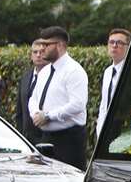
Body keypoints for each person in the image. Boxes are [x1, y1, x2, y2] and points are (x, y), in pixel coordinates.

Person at [28, 25, 90, 170]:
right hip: (45, 137)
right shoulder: (44, 72)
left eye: (46, 45)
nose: (42, 48)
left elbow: (77, 104)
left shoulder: (74, 71)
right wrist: (35, 113)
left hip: (68, 140)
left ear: (60, 45)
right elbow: (33, 98)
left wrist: (49, 116)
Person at [95, 28, 131, 139]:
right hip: (104, 132)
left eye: (119, 43)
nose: (114, 45)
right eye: (111, 42)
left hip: (124, 133)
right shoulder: (108, 72)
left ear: (128, 47)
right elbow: (104, 104)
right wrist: (100, 129)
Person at [14, 38, 48, 142]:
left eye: (42, 52)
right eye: (35, 52)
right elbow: (20, 110)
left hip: (44, 138)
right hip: (26, 139)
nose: (38, 55)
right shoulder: (26, 77)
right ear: (31, 55)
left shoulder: (53, 77)